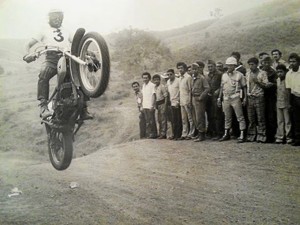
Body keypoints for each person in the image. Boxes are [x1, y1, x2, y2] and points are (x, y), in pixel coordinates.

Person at [23, 9, 92, 120]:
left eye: (60, 17)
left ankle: (84, 109)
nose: (58, 19)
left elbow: (77, 44)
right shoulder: (43, 30)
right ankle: (43, 107)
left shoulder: (67, 30)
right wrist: (27, 55)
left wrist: (88, 53)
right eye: (55, 17)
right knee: (43, 74)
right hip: (51, 58)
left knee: (80, 75)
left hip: (67, 57)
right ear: (49, 18)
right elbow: (28, 44)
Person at [217, 57, 247, 143]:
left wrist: (245, 98)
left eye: (230, 66)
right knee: (227, 116)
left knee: (240, 116)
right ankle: (226, 133)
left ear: (234, 66)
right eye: (227, 65)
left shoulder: (239, 75)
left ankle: (242, 134)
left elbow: (244, 87)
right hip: (226, 98)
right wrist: (219, 98)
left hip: (236, 97)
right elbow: (222, 87)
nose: (228, 67)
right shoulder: (224, 75)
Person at [245, 57, 269, 143]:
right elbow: (246, 86)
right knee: (251, 118)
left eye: (253, 64)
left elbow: (266, 86)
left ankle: (262, 136)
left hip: (259, 97)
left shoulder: (262, 73)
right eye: (250, 65)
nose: (251, 66)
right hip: (250, 97)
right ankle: (251, 136)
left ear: (257, 65)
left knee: (260, 118)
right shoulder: (248, 73)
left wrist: (258, 82)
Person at [190, 63, 210, 142]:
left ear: (198, 69)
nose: (194, 71)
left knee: (200, 117)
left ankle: (202, 134)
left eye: (196, 69)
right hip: (194, 98)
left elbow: (207, 88)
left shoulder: (202, 78)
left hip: (199, 99)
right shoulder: (192, 78)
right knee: (195, 117)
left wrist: (201, 97)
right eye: (193, 69)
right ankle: (199, 133)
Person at [205, 60, 224, 140]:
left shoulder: (220, 74)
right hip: (209, 97)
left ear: (215, 66)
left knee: (218, 115)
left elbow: (222, 85)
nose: (210, 68)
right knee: (210, 116)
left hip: (217, 97)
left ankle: (219, 133)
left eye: (211, 66)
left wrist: (218, 91)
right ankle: (212, 132)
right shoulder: (207, 75)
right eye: (208, 67)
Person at [261, 55, 277, 143]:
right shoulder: (260, 71)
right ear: (262, 63)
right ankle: (264, 135)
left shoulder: (273, 72)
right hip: (261, 95)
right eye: (264, 62)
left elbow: (277, 83)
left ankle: (271, 136)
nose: (266, 64)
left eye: (268, 62)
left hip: (270, 96)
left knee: (271, 115)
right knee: (263, 115)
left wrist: (272, 84)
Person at [275, 64, 292, 144]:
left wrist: (289, 103)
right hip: (279, 103)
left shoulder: (288, 79)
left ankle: (288, 137)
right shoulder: (277, 80)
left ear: (285, 72)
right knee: (280, 121)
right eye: (278, 72)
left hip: (286, 103)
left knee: (287, 121)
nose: (279, 74)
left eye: (281, 72)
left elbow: (289, 92)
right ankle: (280, 137)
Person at [177, 62, 195, 140]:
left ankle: (191, 133)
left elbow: (190, 90)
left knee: (190, 118)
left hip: (187, 100)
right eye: (179, 68)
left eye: (181, 68)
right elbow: (180, 91)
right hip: (182, 101)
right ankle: (184, 133)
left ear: (185, 68)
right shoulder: (180, 78)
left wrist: (190, 101)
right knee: (184, 119)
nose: (180, 70)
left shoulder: (188, 77)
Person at [285, 53, 300, 146]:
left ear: (298, 62)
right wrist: (289, 103)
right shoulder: (289, 74)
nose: (292, 63)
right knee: (296, 119)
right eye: (290, 61)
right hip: (294, 97)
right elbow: (289, 89)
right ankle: (298, 138)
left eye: (294, 61)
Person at [166, 69, 182, 140]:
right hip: (171, 102)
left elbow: (180, 92)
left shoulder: (178, 80)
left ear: (174, 74)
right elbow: (169, 93)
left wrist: (178, 101)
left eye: (171, 74)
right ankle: (174, 134)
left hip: (178, 102)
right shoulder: (168, 82)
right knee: (173, 119)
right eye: (168, 75)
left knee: (178, 119)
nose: (169, 76)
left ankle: (178, 135)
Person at [141, 72, 157, 139]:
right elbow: (143, 96)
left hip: (150, 105)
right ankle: (149, 134)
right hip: (145, 105)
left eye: (146, 78)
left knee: (152, 120)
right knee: (147, 121)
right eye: (144, 78)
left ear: (149, 78)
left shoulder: (152, 85)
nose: (145, 79)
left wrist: (152, 105)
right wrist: (142, 105)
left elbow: (153, 95)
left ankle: (154, 134)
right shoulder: (143, 85)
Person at [153, 74, 168, 139]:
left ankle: (163, 133)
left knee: (163, 119)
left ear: (159, 80)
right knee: (159, 119)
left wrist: (165, 105)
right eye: (155, 80)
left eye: (157, 80)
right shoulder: (155, 87)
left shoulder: (162, 86)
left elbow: (166, 96)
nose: (156, 81)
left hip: (162, 103)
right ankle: (160, 133)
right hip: (158, 104)